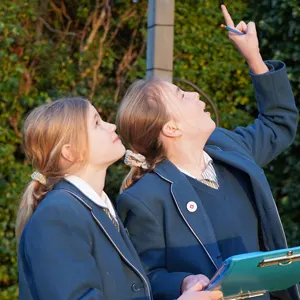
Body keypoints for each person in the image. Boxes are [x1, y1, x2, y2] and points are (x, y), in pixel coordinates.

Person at [116, 5, 299, 300]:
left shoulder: (229, 150)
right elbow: (142, 279)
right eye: (180, 94)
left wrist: (254, 57)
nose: (194, 93)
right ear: (171, 129)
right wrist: (184, 283)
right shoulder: (143, 199)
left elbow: (279, 123)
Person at [16, 97, 223, 300]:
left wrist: (181, 284)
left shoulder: (96, 209)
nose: (111, 126)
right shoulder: (58, 215)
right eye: (97, 123)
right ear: (70, 152)